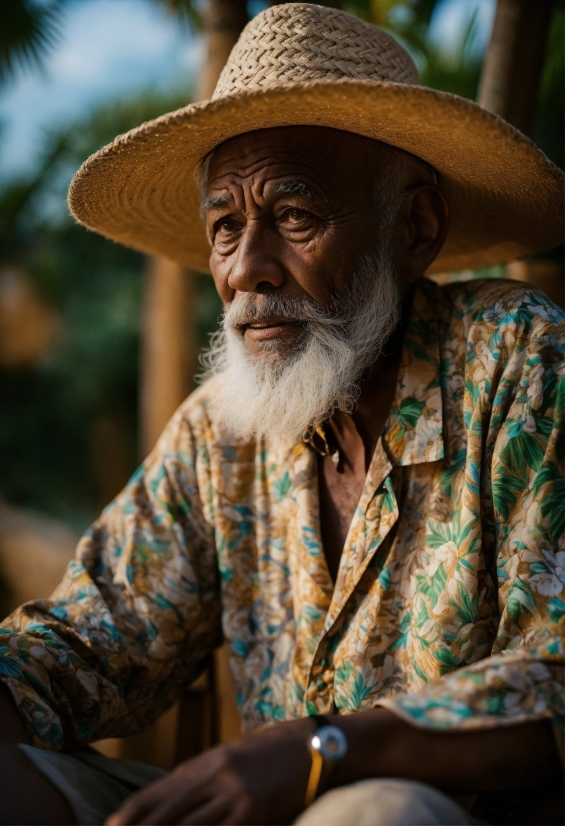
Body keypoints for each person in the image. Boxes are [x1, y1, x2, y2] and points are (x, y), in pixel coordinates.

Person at [0, 4, 563, 825]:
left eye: (294, 217)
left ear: (414, 227)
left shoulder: (520, 357)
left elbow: (554, 669)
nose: (247, 271)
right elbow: (85, 644)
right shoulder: (216, 432)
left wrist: (323, 749)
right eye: (225, 229)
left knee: (375, 811)